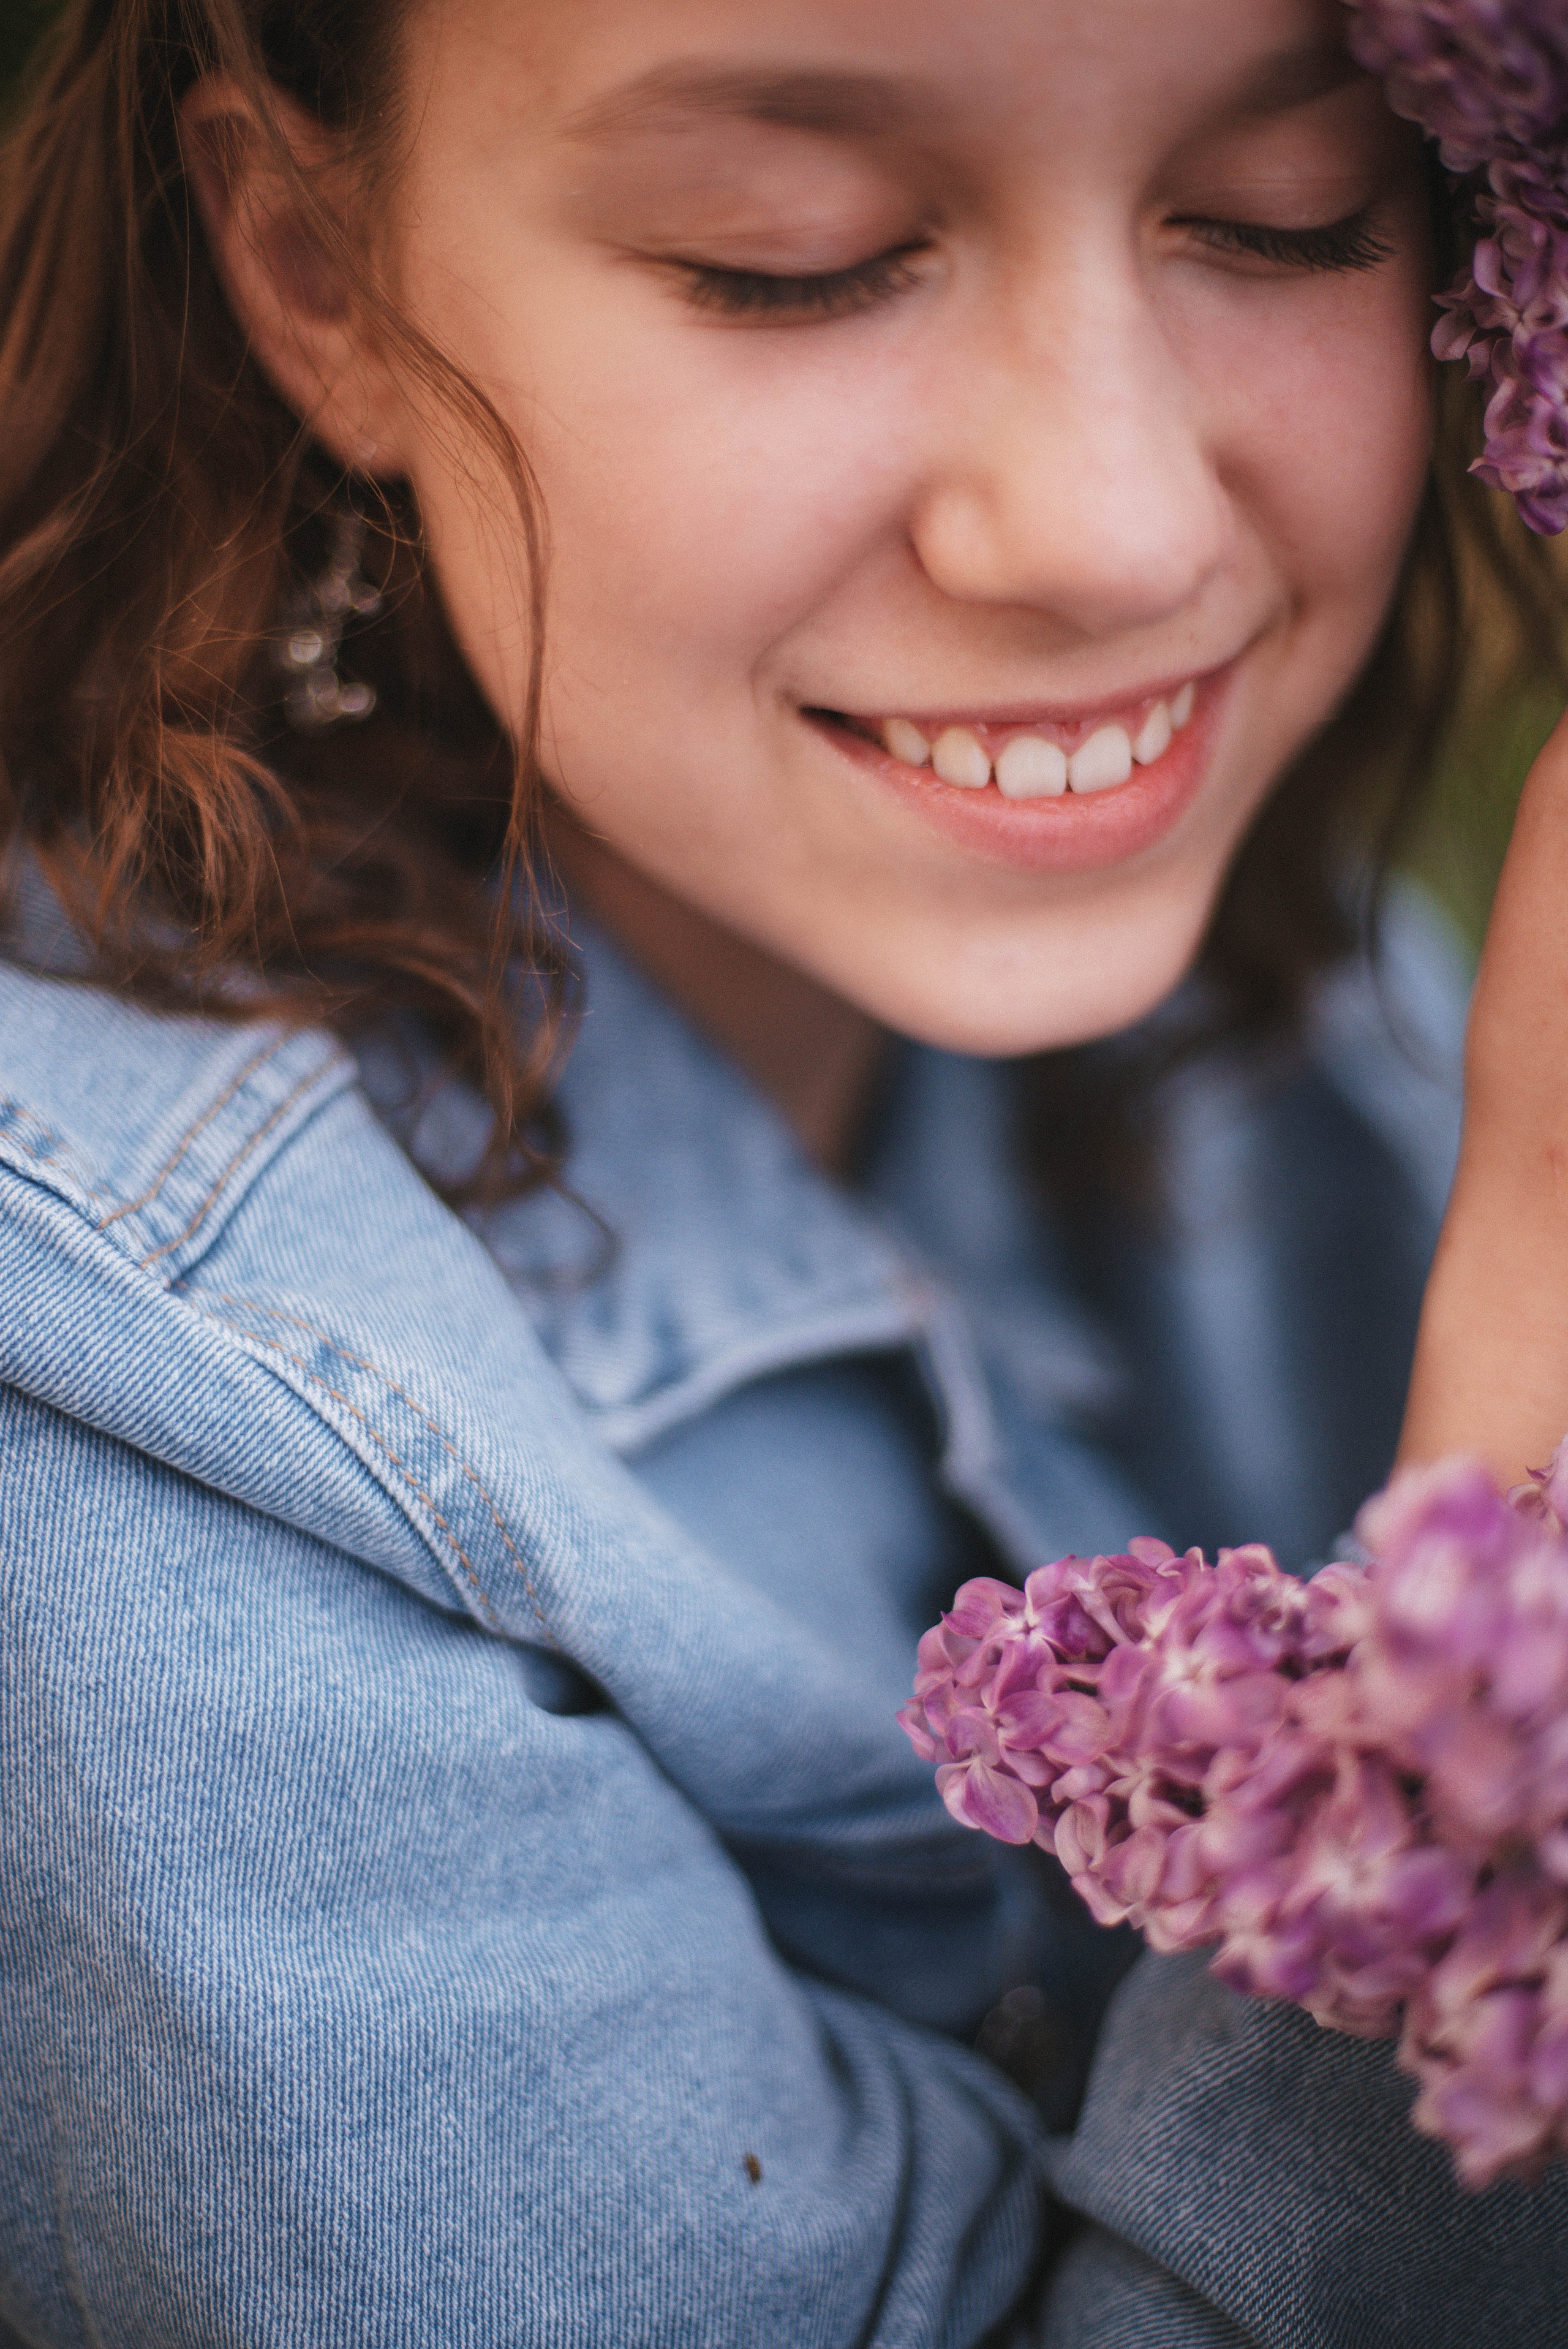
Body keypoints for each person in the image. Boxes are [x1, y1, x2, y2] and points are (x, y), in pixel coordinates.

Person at [1, 0, 1566, 2341]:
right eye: (799, 255)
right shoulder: (120, 1430)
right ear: (320, 277)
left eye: (1286, 218)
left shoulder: (1290, 1008)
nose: (1110, 522)